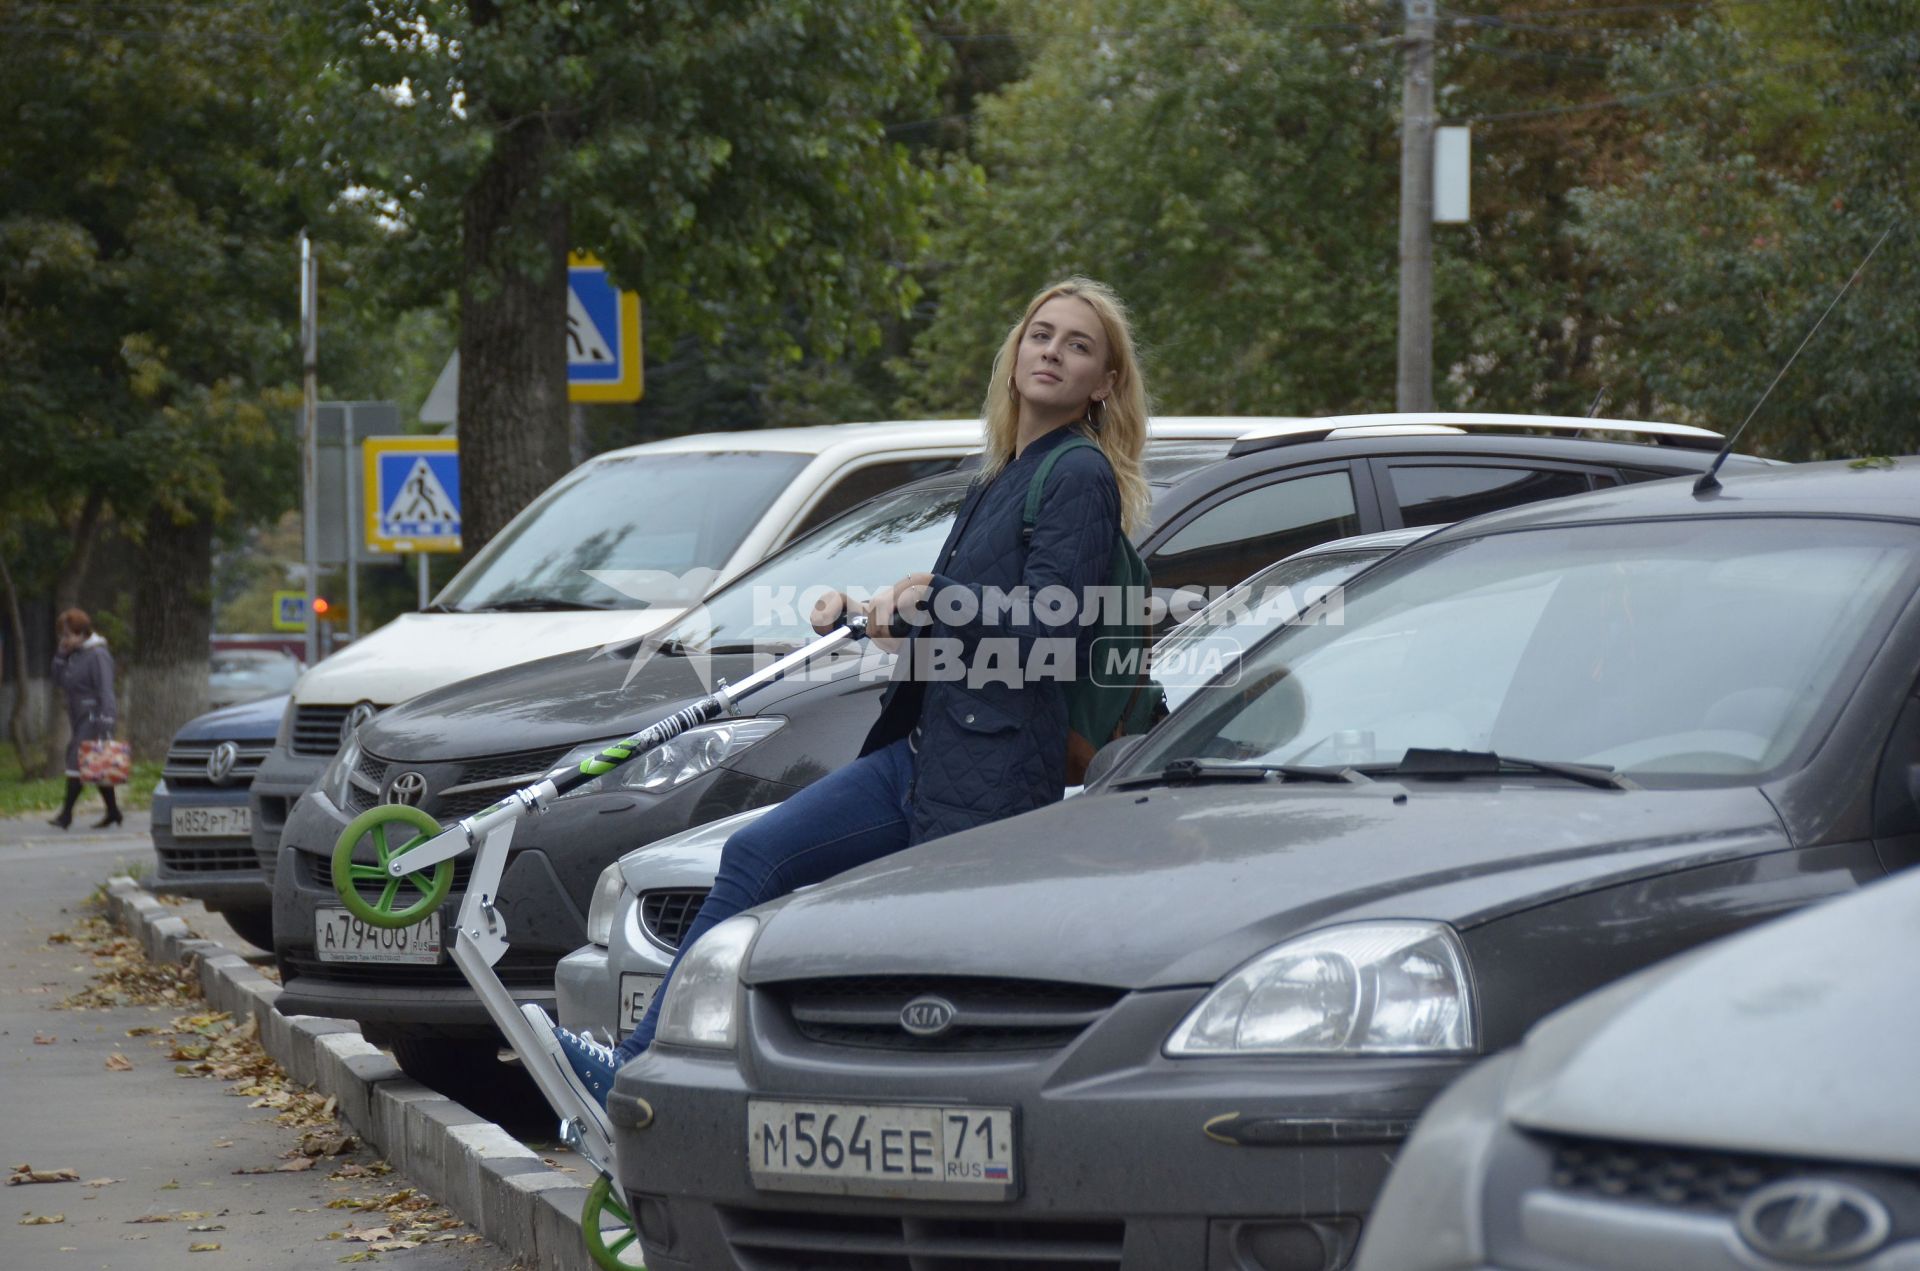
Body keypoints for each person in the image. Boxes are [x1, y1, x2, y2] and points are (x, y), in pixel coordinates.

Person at [532, 277, 1154, 1107]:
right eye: (1041, 335)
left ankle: (680, 1092)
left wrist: (931, 607)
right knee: (760, 859)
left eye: (1079, 346)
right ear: (1014, 357)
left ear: (1103, 384)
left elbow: (1048, 628)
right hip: (933, 752)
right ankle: (640, 1077)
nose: (1053, 352)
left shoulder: (1075, 472)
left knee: (922, 984)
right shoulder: (1004, 474)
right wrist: (865, 611)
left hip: (995, 777)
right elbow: (968, 613)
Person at [49, 607, 122, 830]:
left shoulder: (98, 655)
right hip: (78, 715)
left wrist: (106, 720)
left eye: (68, 635)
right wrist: (61, 655)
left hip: (95, 716)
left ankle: (65, 816)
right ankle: (113, 812)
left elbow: (105, 690)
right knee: (97, 766)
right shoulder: (74, 655)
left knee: (76, 760)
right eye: (62, 635)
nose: (65, 639)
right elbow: (58, 680)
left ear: (82, 633)